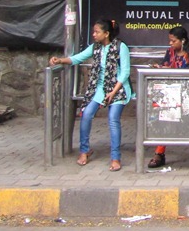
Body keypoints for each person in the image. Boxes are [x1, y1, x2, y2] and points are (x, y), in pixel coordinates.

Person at [50, 18, 132, 172]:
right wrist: (60, 60)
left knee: (113, 119)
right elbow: (77, 58)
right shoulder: (95, 47)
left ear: (106, 33)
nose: (94, 34)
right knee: (86, 114)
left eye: (97, 32)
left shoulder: (121, 47)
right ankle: (84, 150)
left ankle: (115, 157)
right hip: (99, 88)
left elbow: (125, 72)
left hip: (118, 88)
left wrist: (113, 92)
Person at [147, 27, 189, 168]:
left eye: (173, 41)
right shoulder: (170, 52)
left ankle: (160, 152)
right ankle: (159, 152)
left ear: (183, 40)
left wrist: (174, 71)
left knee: (168, 115)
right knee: (164, 116)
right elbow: (165, 65)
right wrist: (160, 68)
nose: (170, 44)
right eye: (170, 41)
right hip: (171, 92)